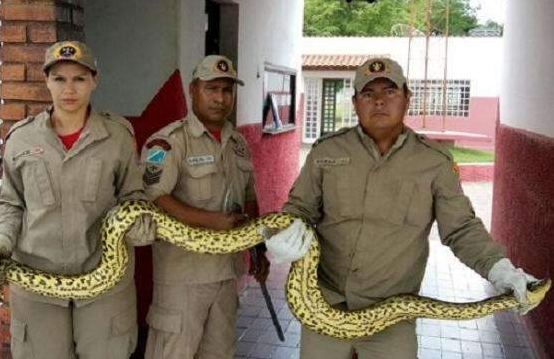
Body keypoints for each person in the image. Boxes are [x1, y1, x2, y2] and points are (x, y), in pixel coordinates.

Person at [265, 57, 538, 359]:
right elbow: (298, 210)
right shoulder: (327, 151)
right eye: (368, 94)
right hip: (325, 304)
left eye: (390, 92)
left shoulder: (433, 161)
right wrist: (280, 235)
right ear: (355, 102)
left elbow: (461, 229)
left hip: (393, 314)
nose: (379, 101)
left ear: (407, 98)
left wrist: (500, 269)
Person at [0, 40, 156, 359]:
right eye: (59, 78)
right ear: (46, 80)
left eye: (79, 78)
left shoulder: (117, 136)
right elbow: (10, 203)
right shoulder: (21, 138)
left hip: (106, 283)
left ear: (94, 80)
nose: (69, 89)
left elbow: (133, 195)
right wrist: (2, 240)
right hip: (36, 282)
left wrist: (140, 226)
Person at [141, 55, 270, 359]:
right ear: (193, 90)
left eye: (227, 91)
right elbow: (154, 195)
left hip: (226, 275)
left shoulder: (238, 142)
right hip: (182, 278)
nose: (220, 98)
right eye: (211, 89)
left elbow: (249, 196)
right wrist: (209, 220)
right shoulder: (166, 143)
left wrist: (258, 247)